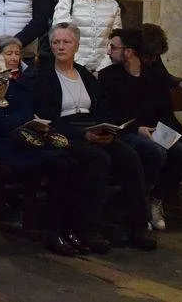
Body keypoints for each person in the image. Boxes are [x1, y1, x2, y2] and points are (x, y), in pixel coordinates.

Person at [32, 22, 156, 253]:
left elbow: (102, 106)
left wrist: (107, 129)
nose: (61, 47)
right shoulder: (43, 76)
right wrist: (82, 134)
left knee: (128, 155)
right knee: (98, 159)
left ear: (76, 46)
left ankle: (139, 224)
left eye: (66, 42)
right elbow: (47, 116)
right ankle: (89, 227)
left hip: (93, 127)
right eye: (56, 42)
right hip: (65, 132)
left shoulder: (84, 75)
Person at [0, 35, 82, 256]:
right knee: (60, 165)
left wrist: (35, 121)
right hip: (5, 145)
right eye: (8, 53)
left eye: (17, 54)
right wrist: (25, 117)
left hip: (28, 140)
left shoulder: (22, 83)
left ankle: (70, 227)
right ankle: (53, 230)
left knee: (72, 161)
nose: (14, 58)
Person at [99, 28, 182, 232]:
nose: (109, 52)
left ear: (129, 52)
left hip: (155, 130)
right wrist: (138, 129)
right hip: (127, 132)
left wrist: (162, 131)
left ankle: (156, 199)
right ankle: (139, 205)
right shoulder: (108, 76)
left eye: (113, 47)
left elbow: (164, 108)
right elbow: (110, 113)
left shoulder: (153, 75)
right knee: (156, 152)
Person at [52, 0, 121, 73]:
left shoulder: (113, 6)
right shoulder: (67, 2)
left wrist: (101, 70)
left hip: (104, 72)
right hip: (72, 69)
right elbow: (60, 39)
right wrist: (82, 68)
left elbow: (116, 42)